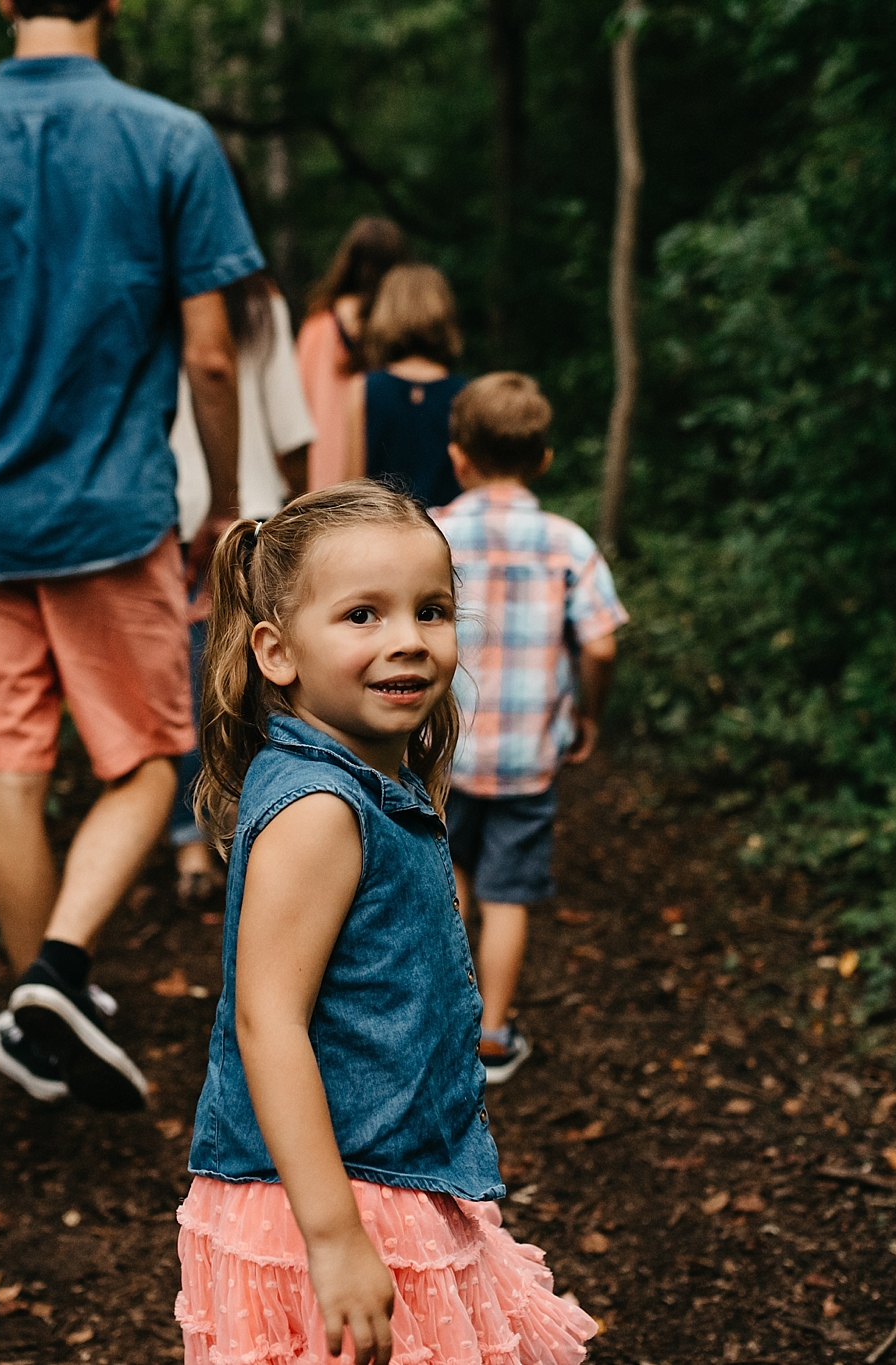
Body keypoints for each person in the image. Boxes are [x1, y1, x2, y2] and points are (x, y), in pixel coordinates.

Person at [0, 0, 262, 1112]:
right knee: (147, 759)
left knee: (11, 764)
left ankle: (36, 1015)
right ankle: (53, 982)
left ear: (2, 1)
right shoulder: (170, 138)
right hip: (109, 510)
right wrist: (227, 502)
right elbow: (211, 354)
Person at [173, 482, 595, 1365]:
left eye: (431, 610)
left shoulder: (367, 782)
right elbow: (268, 1020)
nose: (408, 637)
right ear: (276, 652)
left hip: (388, 1172)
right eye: (363, 614)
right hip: (331, 1197)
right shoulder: (320, 808)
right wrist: (332, 1236)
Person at [431, 374, 627, 1083]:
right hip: (527, 758)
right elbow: (602, 644)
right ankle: (492, 1035)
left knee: (444, 880)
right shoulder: (567, 543)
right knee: (507, 894)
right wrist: (588, 715)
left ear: (458, 457)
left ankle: (436, 1022)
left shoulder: (430, 533)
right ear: (544, 459)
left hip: (440, 755)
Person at [168, 267, 316, 901]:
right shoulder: (260, 304)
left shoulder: (138, 290)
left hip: (163, 517)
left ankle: (190, 847)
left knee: (183, 687)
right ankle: (257, 831)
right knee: (255, 681)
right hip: (252, 515)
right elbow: (290, 427)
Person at [296, 218, 408, 492]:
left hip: (325, 480)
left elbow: (296, 409)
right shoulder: (402, 331)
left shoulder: (318, 326)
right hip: (394, 483)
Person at [344, 264, 467, 509]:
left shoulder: (362, 388)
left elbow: (354, 484)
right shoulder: (466, 395)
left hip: (385, 534)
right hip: (447, 536)